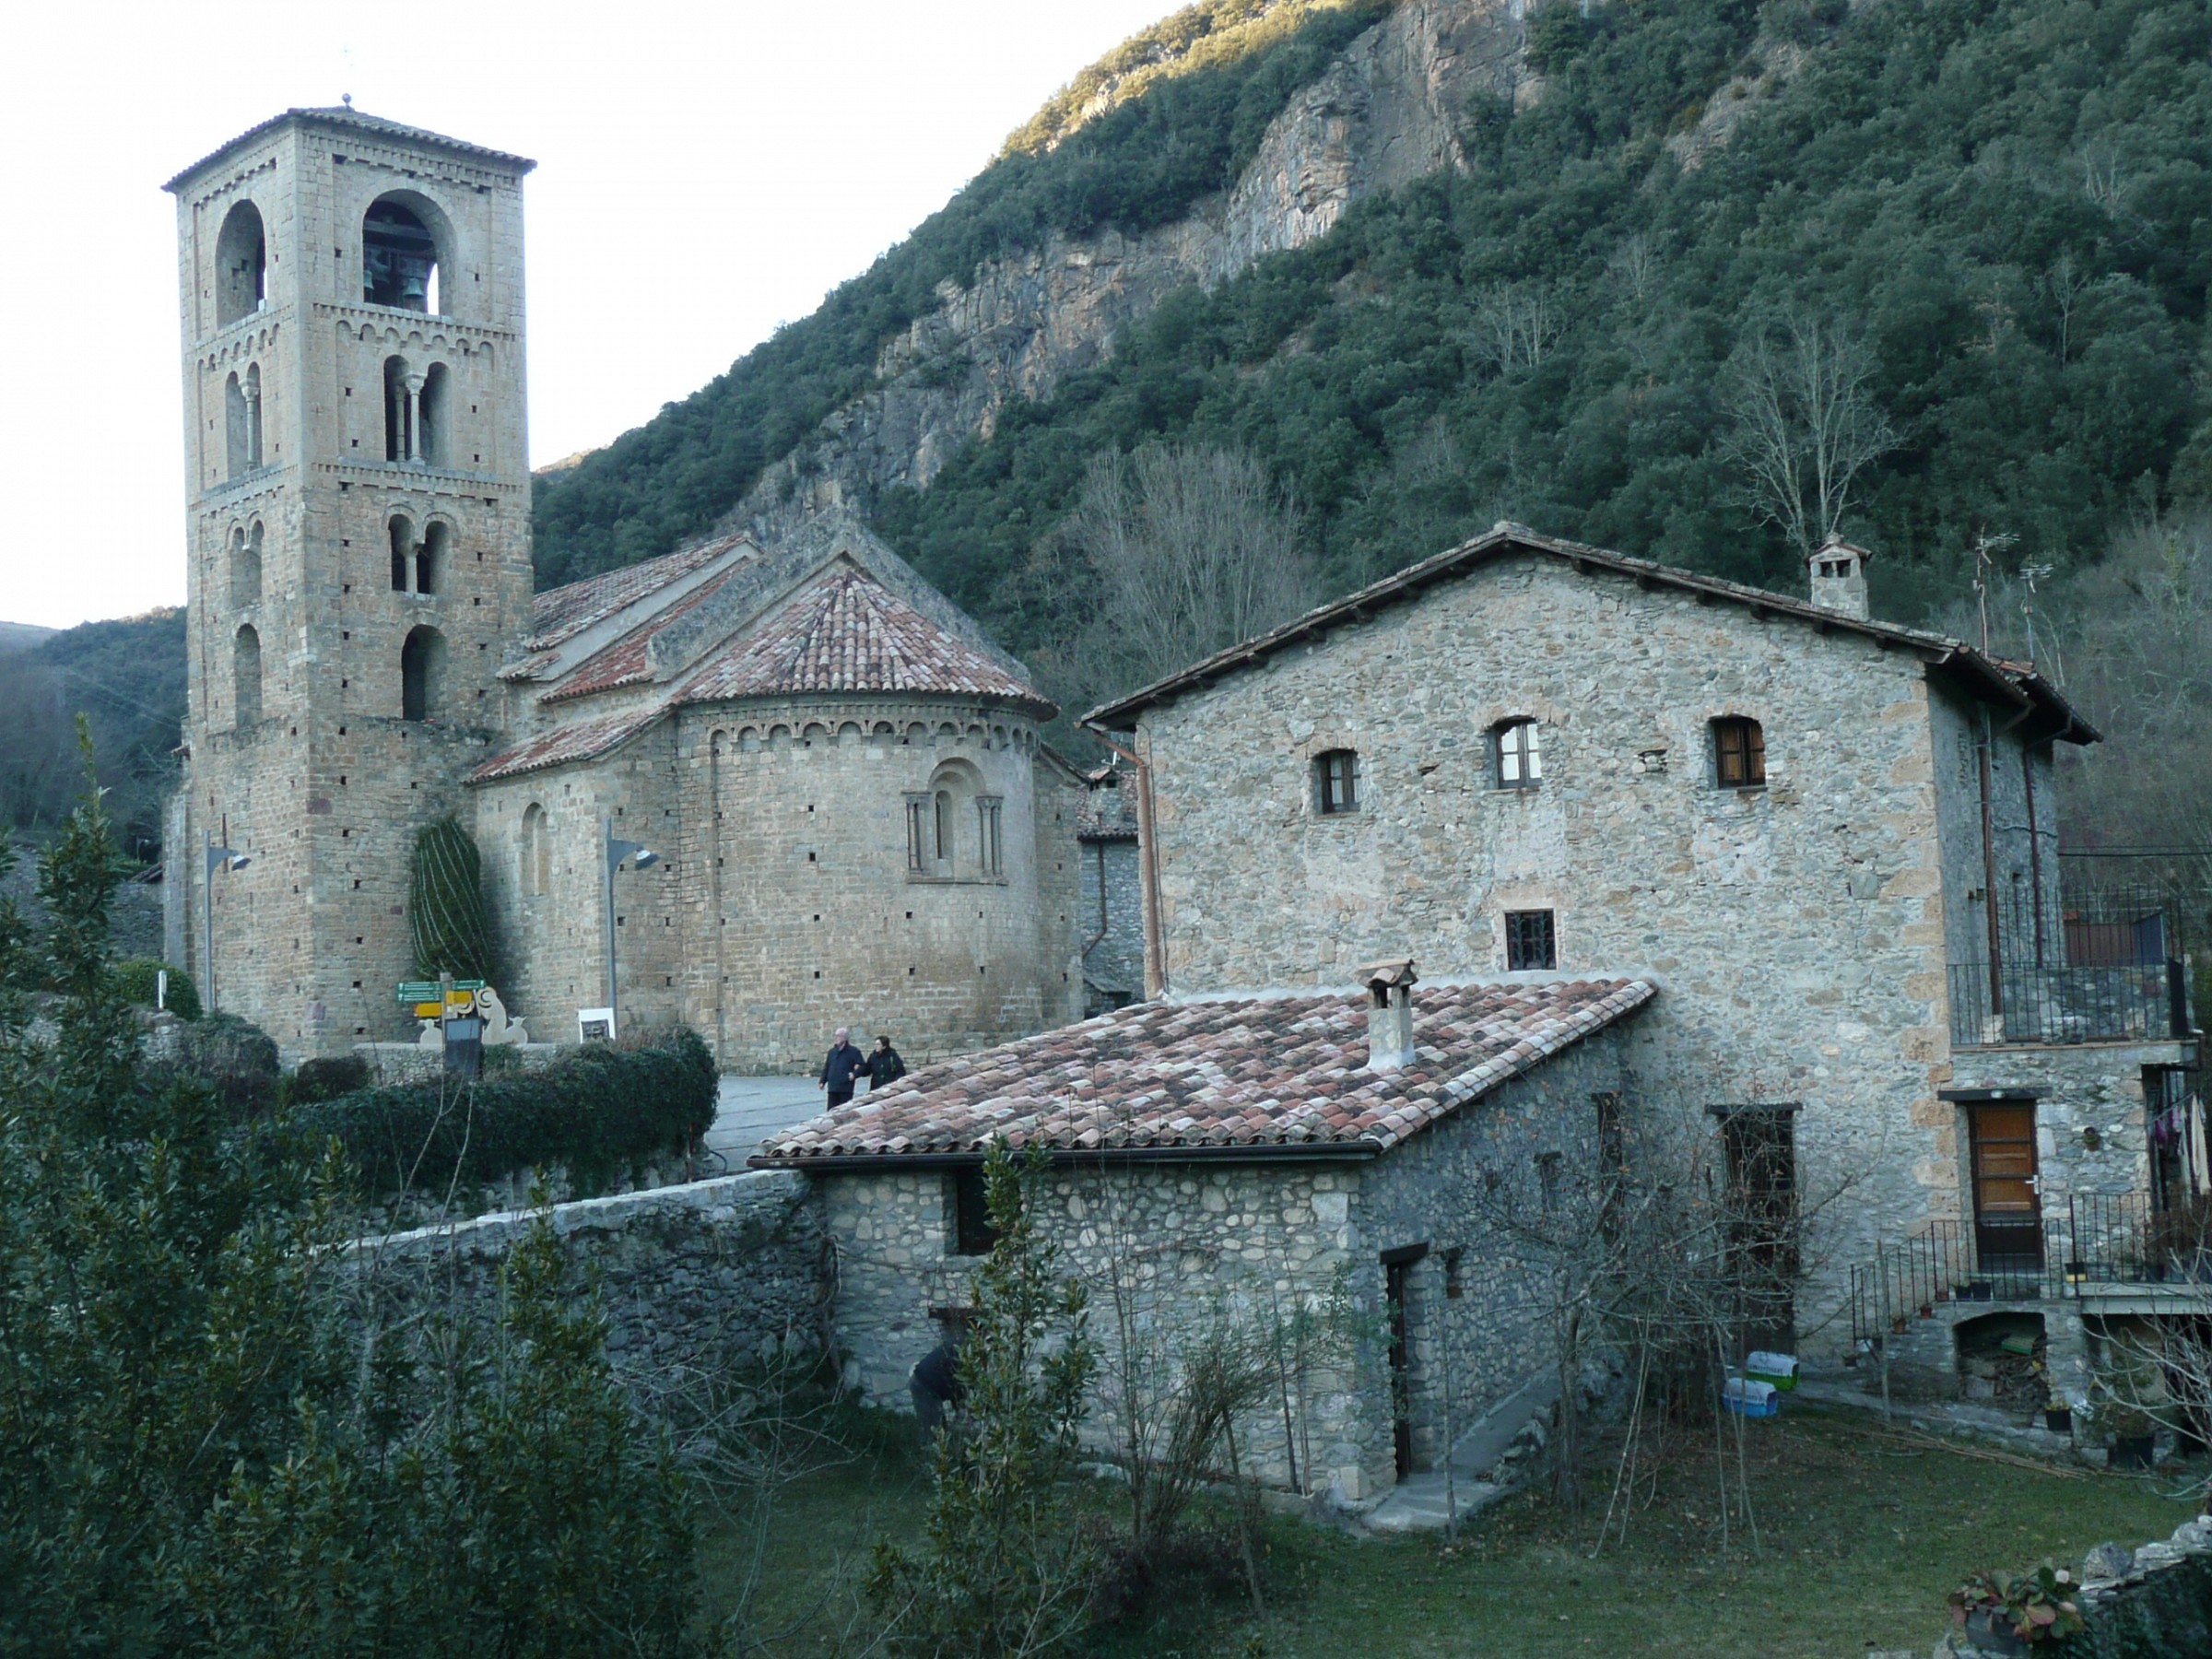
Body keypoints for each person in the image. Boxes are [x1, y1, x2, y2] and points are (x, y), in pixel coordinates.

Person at [909, 1329, 965, 1441]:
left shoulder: (957, 1347)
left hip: (928, 1384)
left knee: (940, 1431)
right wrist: (960, 1408)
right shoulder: (959, 1354)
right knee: (933, 1433)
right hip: (924, 1385)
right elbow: (957, 1383)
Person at [818, 1027, 866, 1108]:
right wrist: (822, 1081)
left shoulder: (853, 1051)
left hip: (845, 1087)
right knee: (831, 1110)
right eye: (835, 1036)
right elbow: (827, 1067)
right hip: (833, 1087)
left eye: (839, 1036)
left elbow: (862, 1066)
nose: (836, 1038)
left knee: (844, 1110)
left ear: (845, 1038)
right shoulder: (832, 1052)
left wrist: (854, 1074)